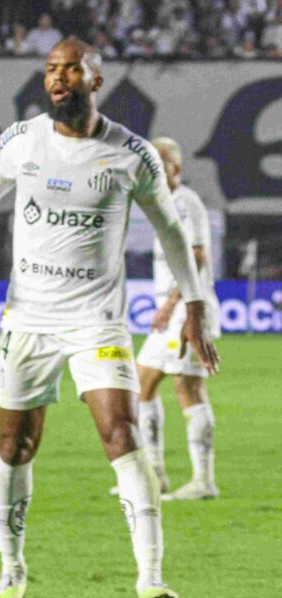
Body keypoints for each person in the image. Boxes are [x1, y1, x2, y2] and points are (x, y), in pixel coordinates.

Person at [0, 39, 219, 598]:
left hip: (96, 320)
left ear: (96, 80)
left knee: (122, 432)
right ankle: (11, 571)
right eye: (50, 69)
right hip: (28, 319)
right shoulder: (23, 140)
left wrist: (193, 305)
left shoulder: (131, 154)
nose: (58, 77)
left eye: (71, 68)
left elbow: (170, 231)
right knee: (14, 444)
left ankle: (151, 579)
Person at [131, 137, 219, 501]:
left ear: (176, 168)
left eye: (159, 163)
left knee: (187, 388)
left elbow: (196, 256)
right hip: (174, 310)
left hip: (186, 309)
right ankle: (155, 475)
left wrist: (170, 304)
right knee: (142, 384)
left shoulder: (186, 203)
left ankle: (203, 480)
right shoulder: (161, 202)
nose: (151, 170)